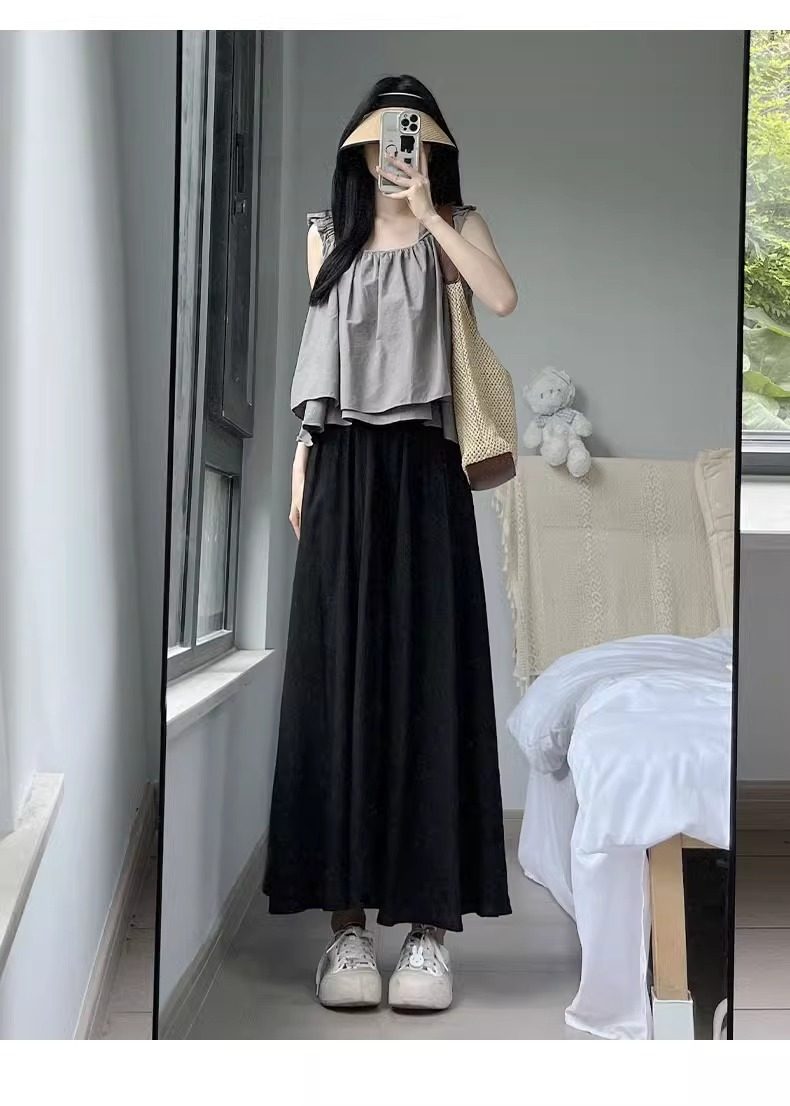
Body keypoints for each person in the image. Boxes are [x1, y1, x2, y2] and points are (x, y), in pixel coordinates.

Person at [263, 74, 517, 1013]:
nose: (394, 150)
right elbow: (320, 348)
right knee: (339, 680)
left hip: (429, 470)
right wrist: (302, 454)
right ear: (357, 145)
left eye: (411, 135)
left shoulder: (461, 223)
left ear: (431, 144)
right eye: (381, 135)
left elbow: (503, 298)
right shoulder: (326, 235)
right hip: (342, 465)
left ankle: (427, 933)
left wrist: (431, 213)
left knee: (430, 681)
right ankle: (345, 930)